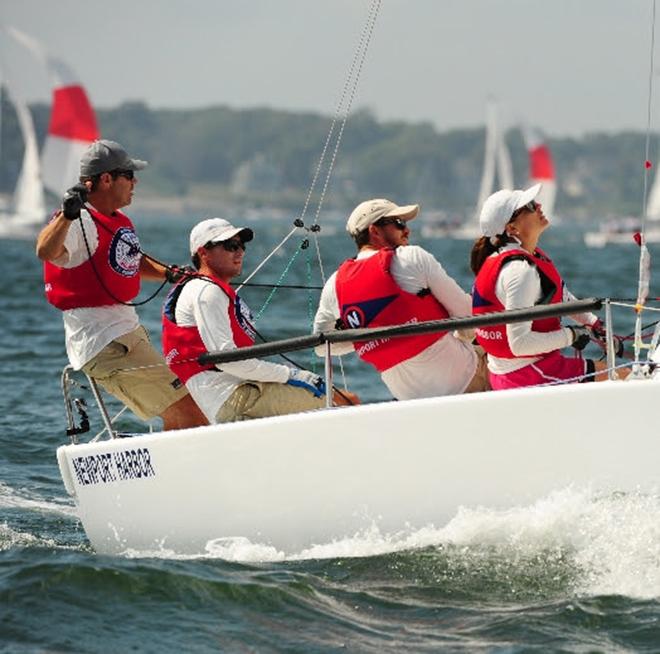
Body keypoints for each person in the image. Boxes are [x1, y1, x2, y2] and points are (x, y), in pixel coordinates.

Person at [36, 139, 207, 430]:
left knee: (193, 406)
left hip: (125, 336)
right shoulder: (80, 221)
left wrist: (170, 274)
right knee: (189, 411)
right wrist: (67, 215)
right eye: (128, 175)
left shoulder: (117, 220)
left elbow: (130, 261)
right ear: (106, 179)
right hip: (106, 343)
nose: (134, 181)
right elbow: (45, 251)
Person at [162, 218, 357, 424]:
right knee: (347, 402)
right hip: (237, 398)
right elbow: (227, 359)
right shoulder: (206, 290)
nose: (240, 252)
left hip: (239, 394)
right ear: (203, 253)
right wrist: (293, 375)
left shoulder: (205, 289)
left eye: (241, 246)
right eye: (231, 246)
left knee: (340, 402)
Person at [313, 198, 489, 400]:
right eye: (399, 223)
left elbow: (320, 347)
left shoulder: (333, 285)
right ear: (374, 231)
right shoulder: (411, 257)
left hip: (409, 399)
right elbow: (468, 317)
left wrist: (369, 335)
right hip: (467, 380)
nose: (407, 231)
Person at [470, 183, 612, 390]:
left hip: (522, 369)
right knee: (623, 374)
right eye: (529, 206)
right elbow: (520, 344)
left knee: (616, 372)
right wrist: (571, 336)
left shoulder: (526, 258)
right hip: (526, 374)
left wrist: (594, 324)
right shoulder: (520, 270)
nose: (538, 205)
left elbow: (561, 295)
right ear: (511, 228)